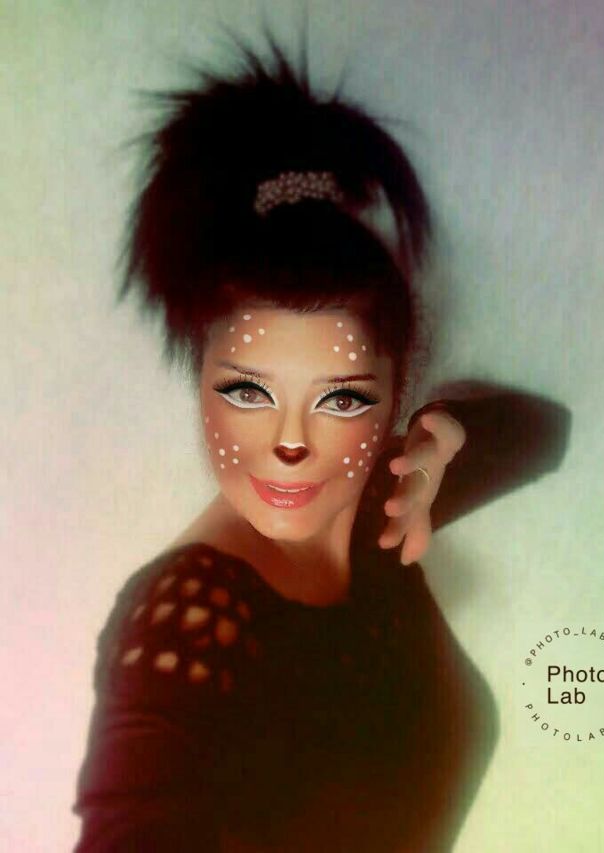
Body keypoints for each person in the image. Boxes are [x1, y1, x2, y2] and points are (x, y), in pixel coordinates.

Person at [72, 36, 511, 852]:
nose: (289, 447)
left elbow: (545, 431)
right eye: (248, 391)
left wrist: (443, 435)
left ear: (393, 391)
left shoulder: (384, 503)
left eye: (340, 398)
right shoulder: (185, 617)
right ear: (200, 379)